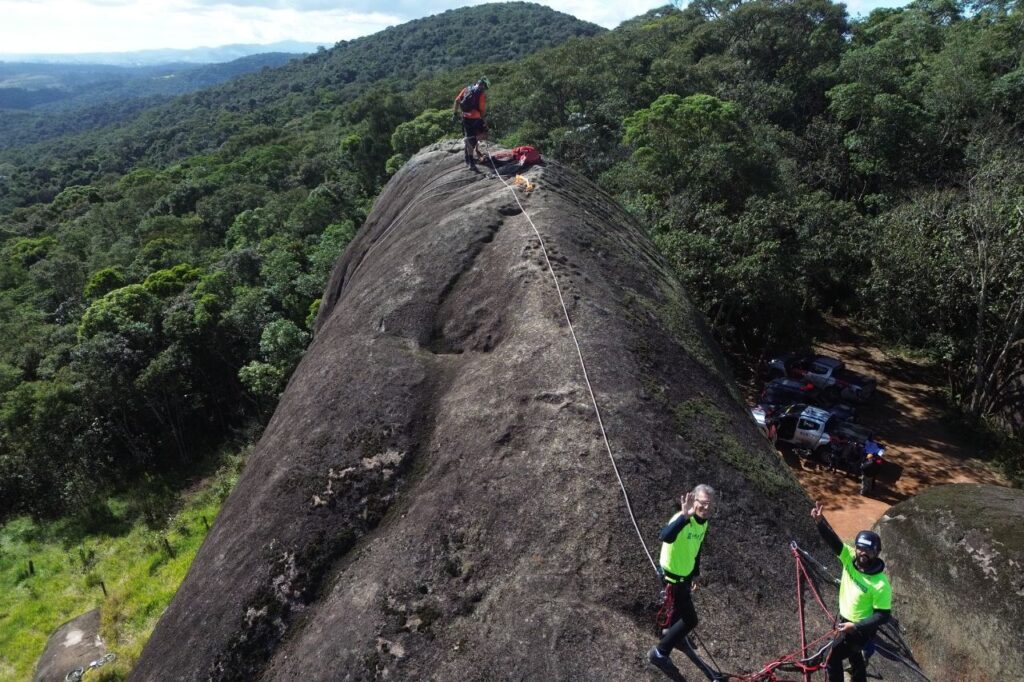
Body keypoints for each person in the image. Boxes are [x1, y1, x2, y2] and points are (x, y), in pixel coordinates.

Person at [810, 502, 892, 682]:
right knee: (855, 656)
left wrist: (855, 626)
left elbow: (883, 616)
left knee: (832, 658)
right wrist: (819, 523)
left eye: (869, 550)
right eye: (860, 548)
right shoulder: (848, 558)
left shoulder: (880, 584)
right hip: (845, 621)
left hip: (860, 630)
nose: (863, 553)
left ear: (876, 553)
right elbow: (834, 542)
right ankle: (859, 679)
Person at [648, 484, 715, 675]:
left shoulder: (704, 522)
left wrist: (693, 574)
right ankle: (660, 653)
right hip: (672, 577)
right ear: (693, 500)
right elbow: (665, 536)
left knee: (679, 609)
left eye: (710, 504)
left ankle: (671, 633)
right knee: (690, 619)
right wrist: (685, 516)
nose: (706, 507)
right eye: (702, 503)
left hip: (683, 577)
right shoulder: (682, 519)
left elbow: (696, 549)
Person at [453, 77, 490, 168]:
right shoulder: (481, 94)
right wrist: (483, 121)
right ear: (483, 85)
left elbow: (457, 101)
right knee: (483, 134)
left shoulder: (466, 89)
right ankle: (471, 158)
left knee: (469, 136)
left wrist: (454, 114)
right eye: (485, 88)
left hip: (465, 117)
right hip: (476, 118)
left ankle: (470, 158)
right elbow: (482, 110)